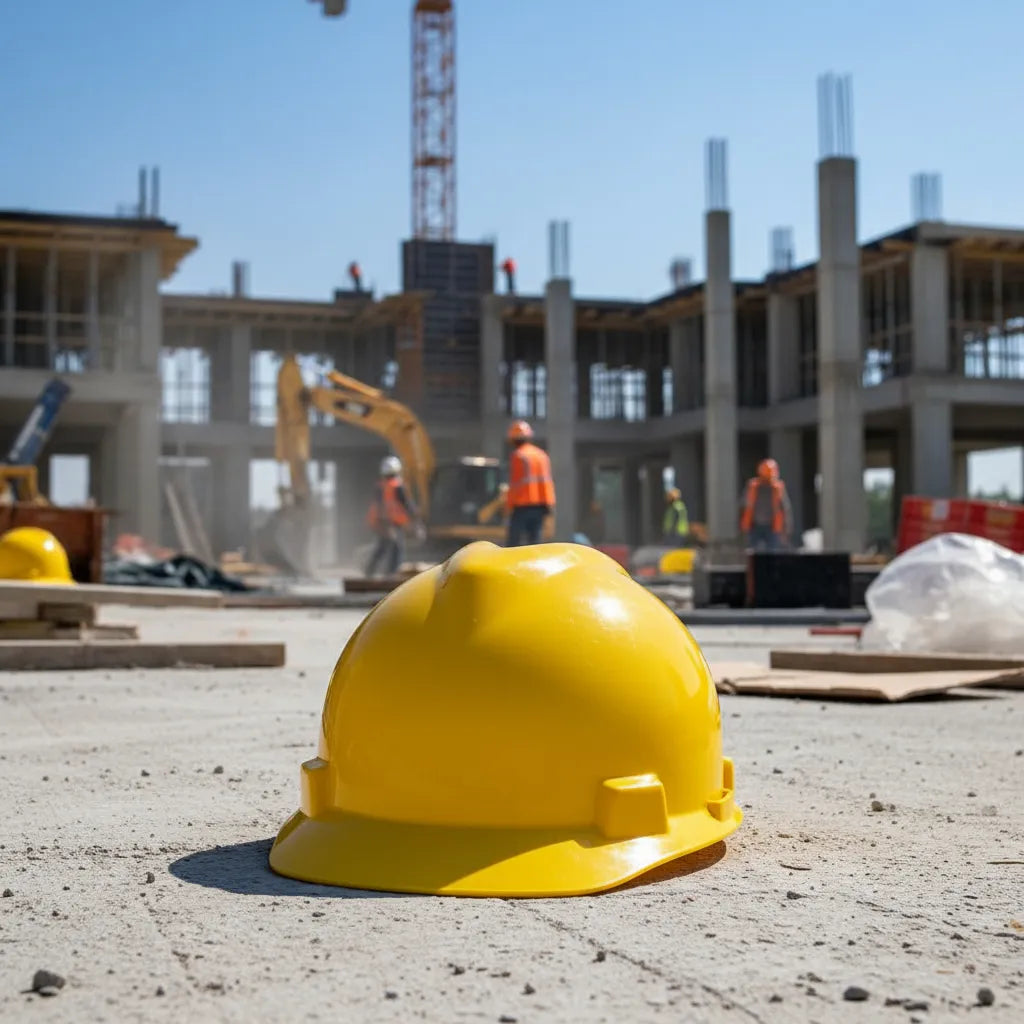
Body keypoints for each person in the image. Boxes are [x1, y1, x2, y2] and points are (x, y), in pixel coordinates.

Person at [505, 421, 556, 547]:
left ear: (513, 439)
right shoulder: (541, 455)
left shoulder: (518, 456)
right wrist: (549, 508)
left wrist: (508, 505)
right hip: (540, 506)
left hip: (522, 506)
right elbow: (547, 482)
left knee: (513, 545)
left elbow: (515, 484)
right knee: (534, 543)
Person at [365, 455, 418, 577]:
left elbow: (378, 505)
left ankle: (370, 571)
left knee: (382, 547)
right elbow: (406, 503)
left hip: (380, 522)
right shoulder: (397, 486)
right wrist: (415, 515)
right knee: (397, 548)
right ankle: (391, 574)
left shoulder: (380, 486)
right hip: (391, 523)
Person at [740, 458, 792, 551]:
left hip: (772, 526)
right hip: (754, 525)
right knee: (753, 552)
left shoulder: (778, 488)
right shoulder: (753, 486)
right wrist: (742, 527)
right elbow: (744, 505)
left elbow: (785, 508)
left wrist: (786, 529)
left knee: (772, 553)